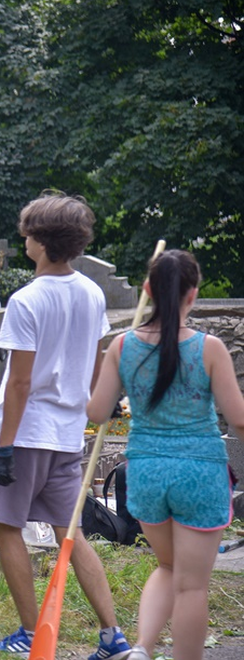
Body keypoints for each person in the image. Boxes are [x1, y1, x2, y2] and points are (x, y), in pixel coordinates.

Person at [0, 192, 131, 659]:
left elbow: (20, 382)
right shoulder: (91, 292)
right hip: (66, 435)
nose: (23, 239)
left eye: (28, 233)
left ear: (40, 241)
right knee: (70, 532)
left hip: (24, 434)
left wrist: (3, 447)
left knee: (5, 526)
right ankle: (112, 636)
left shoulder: (26, 301)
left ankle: (28, 634)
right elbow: (99, 362)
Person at [88, 250, 244, 660]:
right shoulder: (209, 349)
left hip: (146, 473)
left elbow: (98, 412)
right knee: (192, 585)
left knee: (168, 567)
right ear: (193, 294)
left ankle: (141, 648)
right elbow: (239, 419)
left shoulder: (122, 347)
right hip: (200, 474)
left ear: (147, 291)